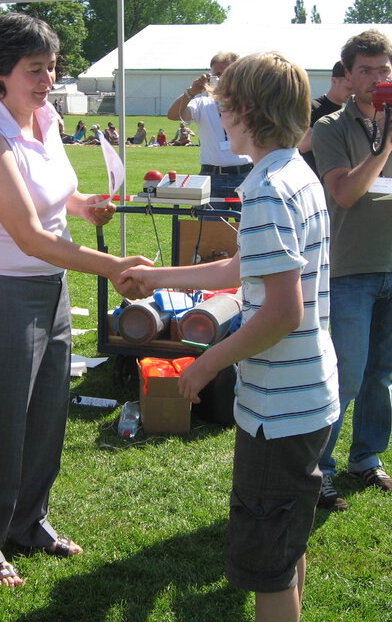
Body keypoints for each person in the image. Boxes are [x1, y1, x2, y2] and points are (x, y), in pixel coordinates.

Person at [119, 52, 339, 622]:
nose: (218, 115)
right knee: (288, 543)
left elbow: (281, 312)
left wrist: (204, 364)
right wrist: (158, 277)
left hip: (279, 406)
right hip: (309, 394)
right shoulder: (296, 174)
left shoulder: (267, 188)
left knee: (266, 564)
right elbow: (241, 269)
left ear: (245, 111)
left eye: (222, 104)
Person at [0, 12, 151, 588]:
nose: (48, 79)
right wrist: (114, 266)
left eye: (52, 67)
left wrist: (84, 204)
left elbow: (52, 199)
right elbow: (28, 236)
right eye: (35, 69)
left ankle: (28, 521)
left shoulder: (46, 119)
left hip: (50, 288)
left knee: (44, 418)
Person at [311, 29, 392, 511]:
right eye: (366, 70)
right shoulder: (331, 128)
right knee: (344, 377)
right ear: (348, 75)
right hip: (351, 271)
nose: (377, 79)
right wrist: (384, 142)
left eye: (385, 70)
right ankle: (318, 469)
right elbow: (344, 192)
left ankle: (366, 458)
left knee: (381, 376)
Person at [167, 51, 252, 208]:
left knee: (248, 230)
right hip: (211, 177)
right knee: (209, 231)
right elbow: (173, 115)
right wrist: (190, 92)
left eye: (227, 74)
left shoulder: (250, 103)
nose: (222, 79)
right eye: (217, 75)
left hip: (245, 176)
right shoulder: (201, 103)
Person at [298, 60, 352, 177]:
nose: (353, 94)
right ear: (334, 81)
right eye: (349, 88)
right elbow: (302, 144)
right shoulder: (312, 108)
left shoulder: (347, 114)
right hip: (314, 179)